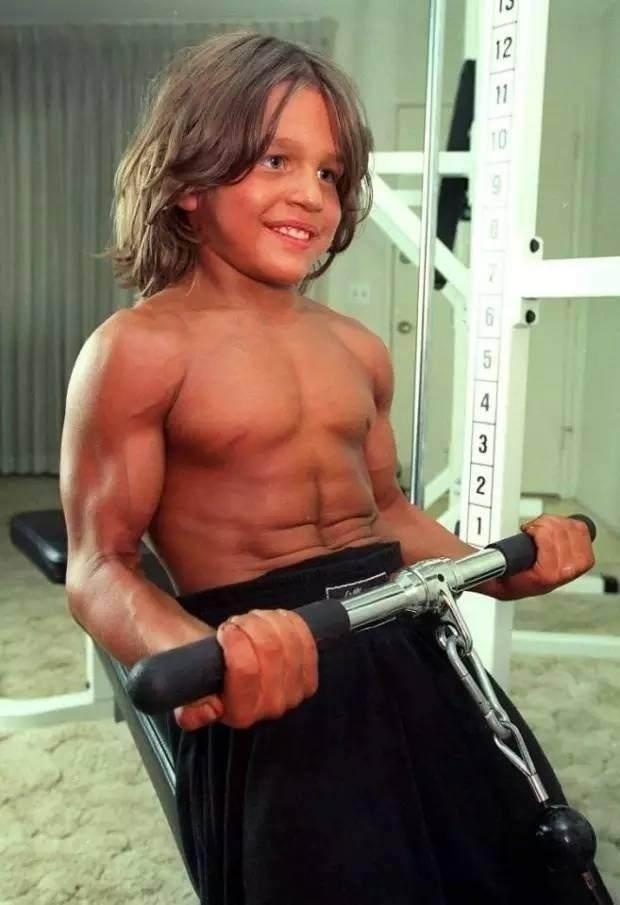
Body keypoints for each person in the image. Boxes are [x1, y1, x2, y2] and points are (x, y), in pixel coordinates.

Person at [59, 31, 610, 905]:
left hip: (408, 640)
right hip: (271, 659)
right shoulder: (137, 350)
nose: (310, 195)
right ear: (190, 179)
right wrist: (201, 654)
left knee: (519, 855)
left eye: (330, 172)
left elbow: (386, 512)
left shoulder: (356, 348)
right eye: (276, 160)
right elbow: (99, 565)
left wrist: (504, 569)